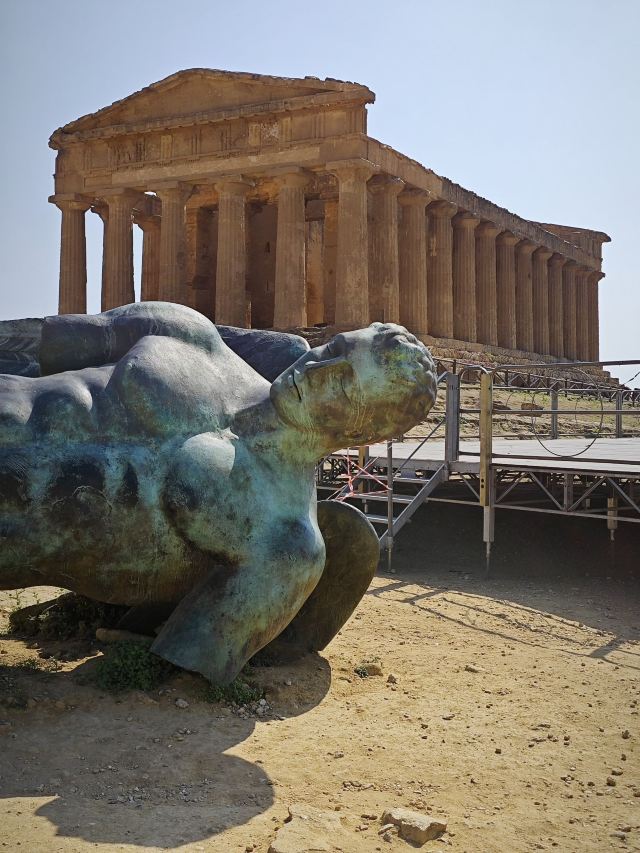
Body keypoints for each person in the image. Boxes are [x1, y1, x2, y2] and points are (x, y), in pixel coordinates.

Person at [0, 302, 437, 683]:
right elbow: (34, 344)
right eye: (335, 349)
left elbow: (189, 658)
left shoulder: (286, 546)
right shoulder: (189, 333)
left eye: (342, 384)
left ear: (365, 431)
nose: (315, 371)